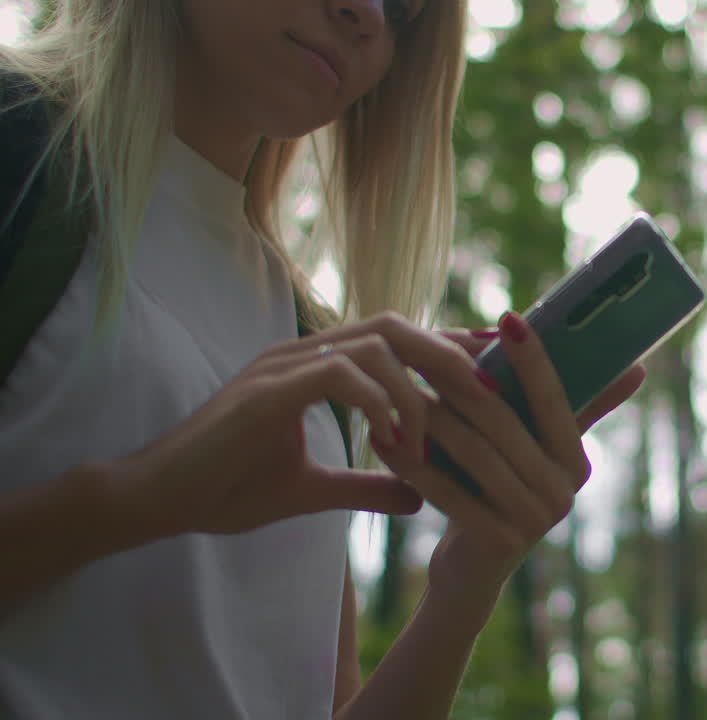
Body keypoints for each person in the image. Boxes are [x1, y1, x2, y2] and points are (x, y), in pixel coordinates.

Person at [0, 0, 645, 717]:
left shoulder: (310, 341)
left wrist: (471, 576)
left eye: (405, 11)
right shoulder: (21, 155)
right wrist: (135, 498)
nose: (366, 14)